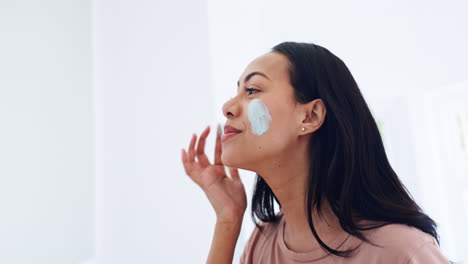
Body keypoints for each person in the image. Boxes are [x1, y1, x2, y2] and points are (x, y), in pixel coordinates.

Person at [181, 41, 450, 263]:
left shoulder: (402, 251)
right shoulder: (263, 243)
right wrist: (227, 220)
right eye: (237, 90)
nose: (228, 106)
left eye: (252, 90)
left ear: (310, 116)